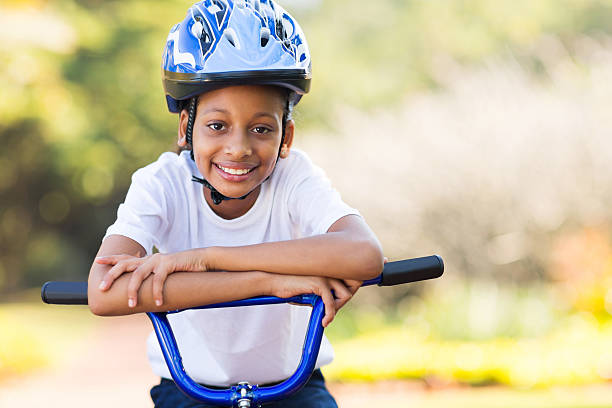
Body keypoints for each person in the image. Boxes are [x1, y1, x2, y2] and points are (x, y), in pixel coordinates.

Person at [87, 1, 384, 406]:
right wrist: (267, 283)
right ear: (185, 129)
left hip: (294, 386)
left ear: (287, 138)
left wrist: (207, 258)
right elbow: (104, 292)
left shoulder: (295, 177)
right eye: (216, 125)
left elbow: (364, 254)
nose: (239, 148)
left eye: (262, 128)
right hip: (188, 388)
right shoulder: (162, 184)